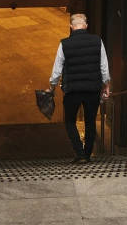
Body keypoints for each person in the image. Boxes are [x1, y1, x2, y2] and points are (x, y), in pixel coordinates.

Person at [46, 13, 110, 163]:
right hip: (92, 90)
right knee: (90, 122)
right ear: (86, 25)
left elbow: (57, 70)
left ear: (71, 27)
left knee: (69, 121)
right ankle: (88, 154)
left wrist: (51, 87)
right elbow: (104, 66)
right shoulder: (97, 41)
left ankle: (78, 152)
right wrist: (106, 85)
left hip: (72, 91)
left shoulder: (64, 44)